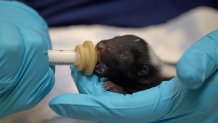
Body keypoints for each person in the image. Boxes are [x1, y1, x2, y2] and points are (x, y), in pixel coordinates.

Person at [0, 1, 217, 122]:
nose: (103, 46)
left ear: (141, 72)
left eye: (123, 55)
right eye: (113, 41)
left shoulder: (151, 79)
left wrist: (119, 89)